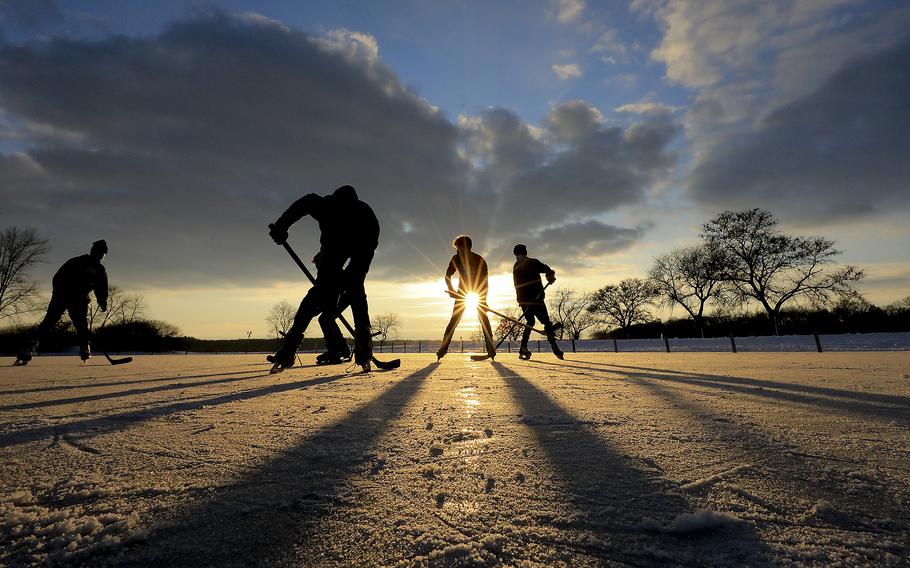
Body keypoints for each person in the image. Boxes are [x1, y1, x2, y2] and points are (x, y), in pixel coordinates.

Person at [268, 185, 379, 373]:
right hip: (333, 249)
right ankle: (287, 351)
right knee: (318, 295)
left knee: (355, 291)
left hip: (360, 246)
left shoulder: (367, 219)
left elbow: (362, 261)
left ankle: (364, 350)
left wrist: (348, 278)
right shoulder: (326, 206)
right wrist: (281, 226)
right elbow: (304, 203)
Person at [15, 240, 109, 365]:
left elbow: (101, 287)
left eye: (102, 254)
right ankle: (28, 347)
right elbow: (58, 277)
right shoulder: (76, 261)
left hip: (80, 300)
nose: (100, 256)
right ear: (94, 251)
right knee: (49, 322)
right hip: (62, 296)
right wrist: (60, 292)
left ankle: (85, 347)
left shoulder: (99, 269)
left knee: (82, 325)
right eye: (99, 252)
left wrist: (102, 301)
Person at [436, 235, 496, 361]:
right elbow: (447, 276)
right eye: (457, 248)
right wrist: (451, 289)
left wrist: (484, 300)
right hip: (462, 294)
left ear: (467, 248)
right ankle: (443, 349)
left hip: (478, 294)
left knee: (484, 320)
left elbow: (485, 282)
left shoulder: (480, 260)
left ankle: (491, 349)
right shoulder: (456, 259)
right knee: (454, 321)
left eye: (459, 248)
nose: (458, 251)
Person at [512, 244, 563, 360]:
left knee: (538, 322)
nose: (518, 257)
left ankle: (554, 348)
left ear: (524, 254)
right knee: (534, 322)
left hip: (536, 299)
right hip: (528, 300)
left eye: (519, 255)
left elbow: (548, 270)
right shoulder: (517, 266)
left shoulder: (532, 263)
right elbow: (517, 285)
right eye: (517, 255)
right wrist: (520, 300)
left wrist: (550, 276)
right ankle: (525, 347)